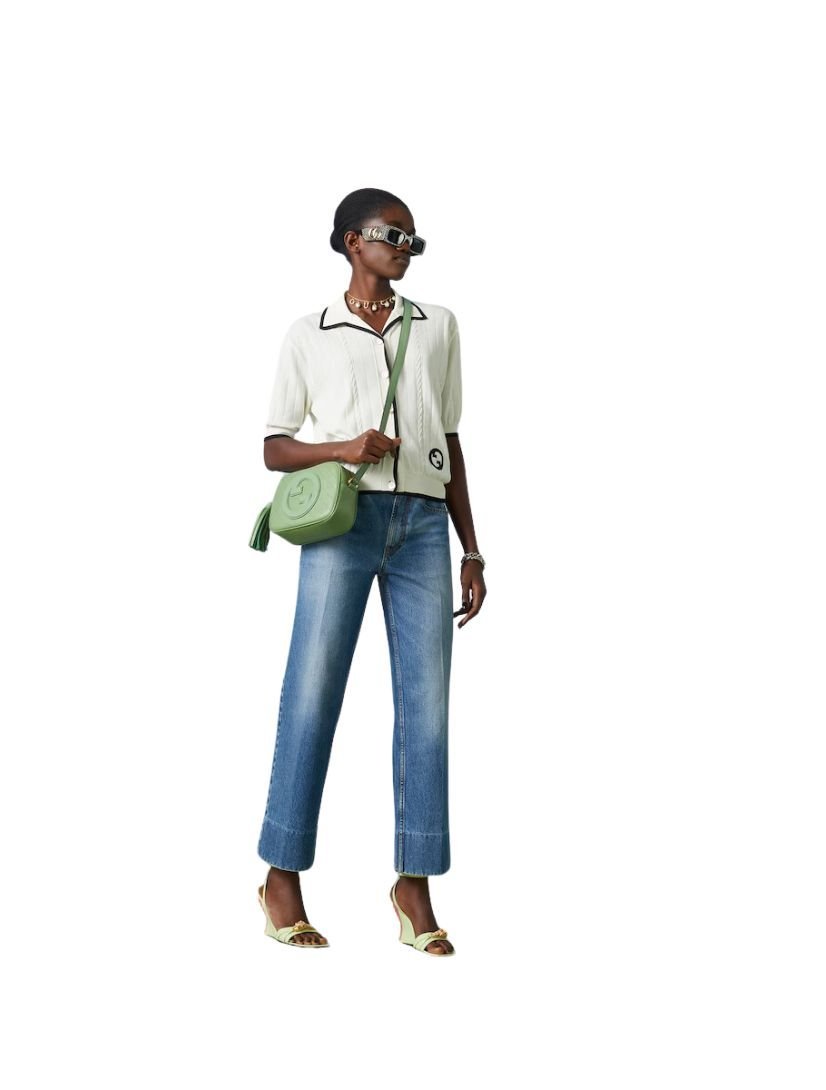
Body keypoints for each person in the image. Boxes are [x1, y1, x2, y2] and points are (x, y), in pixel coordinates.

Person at [254, 188, 486, 955]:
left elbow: (449, 438)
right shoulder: (309, 334)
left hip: (423, 528)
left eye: (415, 239)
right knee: (312, 694)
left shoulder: (438, 325)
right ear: (354, 240)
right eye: (393, 234)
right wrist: (341, 448)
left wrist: (472, 547)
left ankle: (414, 886)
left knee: (427, 708)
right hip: (342, 524)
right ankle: (280, 876)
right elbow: (274, 446)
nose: (405, 248)